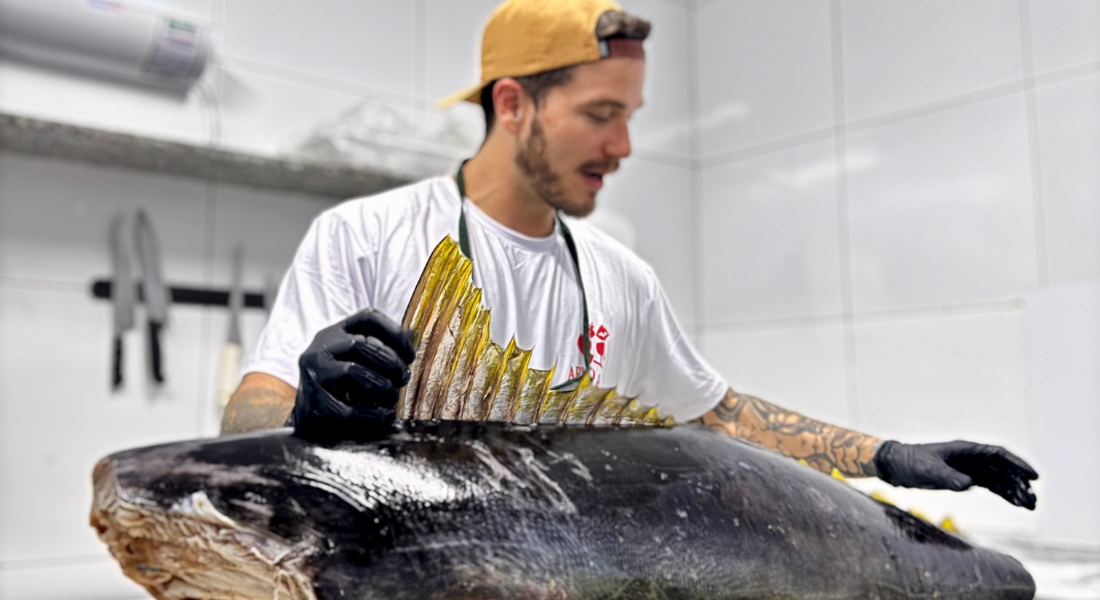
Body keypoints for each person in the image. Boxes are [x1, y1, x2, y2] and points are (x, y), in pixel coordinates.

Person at [221, 0, 1038, 509]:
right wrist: (301, 409)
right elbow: (246, 411)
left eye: (631, 115)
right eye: (601, 113)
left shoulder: (619, 274)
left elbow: (717, 414)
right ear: (514, 104)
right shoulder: (366, 235)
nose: (623, 145)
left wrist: (887, 456)